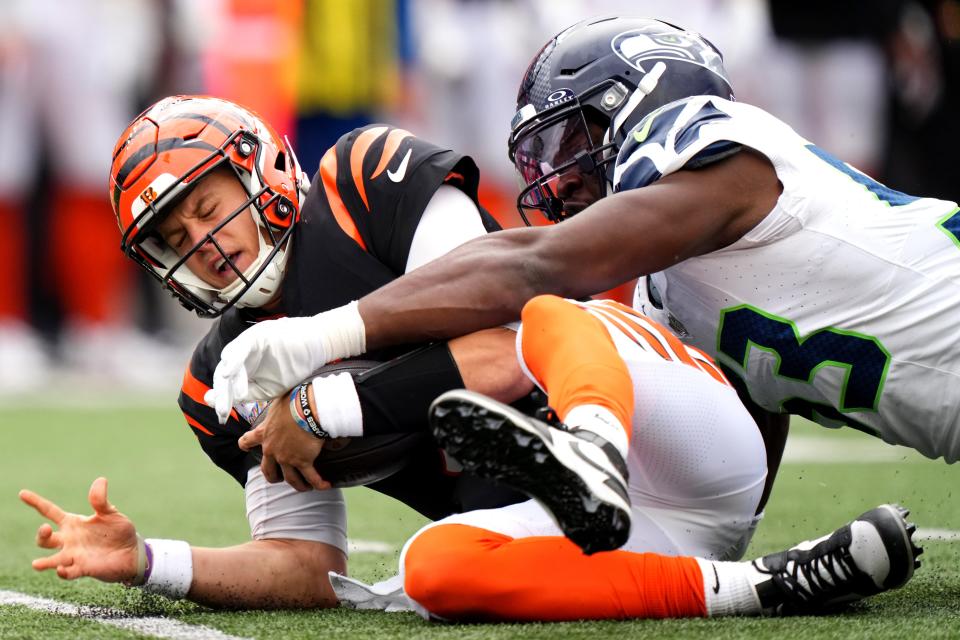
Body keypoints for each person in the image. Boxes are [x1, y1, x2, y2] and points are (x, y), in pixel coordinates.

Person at [206, 16, 960, 484]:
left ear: (639, 95)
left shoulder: (715, 143)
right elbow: (736, 438)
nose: (553, 178)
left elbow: (533, 265)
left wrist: (320, 336)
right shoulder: (670, 290)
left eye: (569, 140)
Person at [20, 94, 533, 609]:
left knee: (439, 571)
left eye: (207, 209)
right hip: (507, 522)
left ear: (261, 170)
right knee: (439, 570)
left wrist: (317, 411)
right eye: (175, 238)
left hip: (593, 424)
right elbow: (305, 565)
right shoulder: (219, 377)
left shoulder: (365, 182)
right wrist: (148, 562)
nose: (200, 240)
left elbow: (513, 353)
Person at [332, 294, 922, 621]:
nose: (553, 179)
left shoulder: (667, 222)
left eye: (565, 143)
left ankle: (595, 451)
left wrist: (329, 396)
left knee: (546, 313)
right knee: (432, 566)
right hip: (660, 534)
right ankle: (764, 584)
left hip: (693, 443)